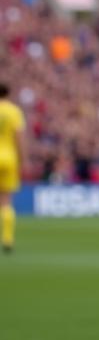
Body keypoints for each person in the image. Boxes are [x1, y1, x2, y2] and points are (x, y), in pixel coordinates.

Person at [0, 82, 27, 253]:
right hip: (9, 158)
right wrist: (22, 159)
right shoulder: (14, 111)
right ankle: (8, 239)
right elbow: (19, 138)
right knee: (6, 200)